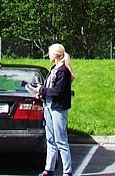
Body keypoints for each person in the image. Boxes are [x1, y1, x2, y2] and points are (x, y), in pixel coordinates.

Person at [36, 43, 74, 176]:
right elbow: (50, 89)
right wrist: (42, 93)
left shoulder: (63, 71)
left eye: (50, 53)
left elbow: (58, 91)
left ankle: (67, 171)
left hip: (58, 109)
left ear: (56, 55)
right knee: (50, 139)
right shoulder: (53, 69)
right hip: (48, 106)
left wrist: (42, 89)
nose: (48, 56)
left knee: (60, 140)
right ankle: (49, 169)